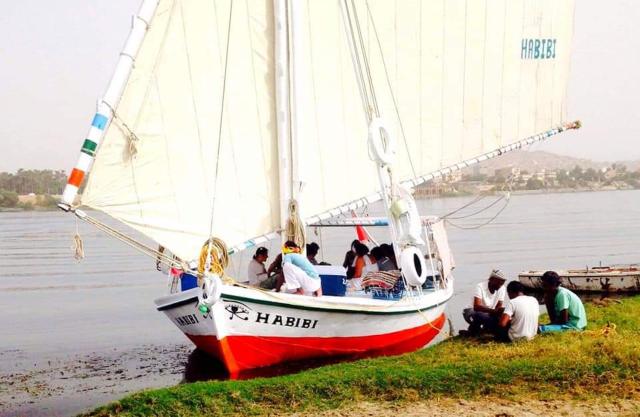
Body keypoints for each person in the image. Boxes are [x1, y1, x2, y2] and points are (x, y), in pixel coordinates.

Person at [461, 269, 507, 336]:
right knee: (480, 315)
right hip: (471, 311)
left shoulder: (502, 288)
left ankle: (477, 331)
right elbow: (476, 307)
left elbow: (499, 306)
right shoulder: (480, 286)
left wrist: (499, 312)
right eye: (498, 283)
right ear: (491, 279)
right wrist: (494, 312)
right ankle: (474, 331)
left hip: (488, 312)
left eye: (501, 284)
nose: (499, 286)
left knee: (497, 318)